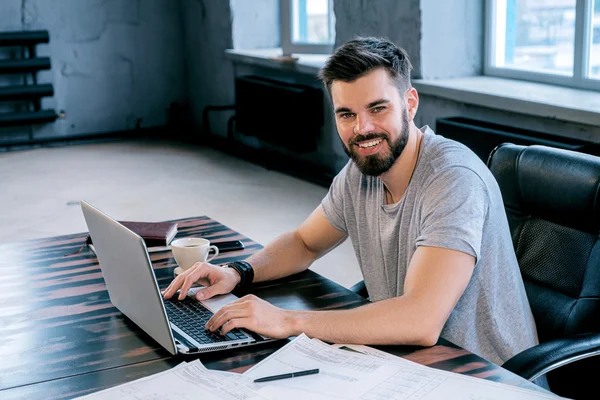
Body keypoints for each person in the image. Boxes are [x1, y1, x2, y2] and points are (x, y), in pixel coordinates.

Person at [162, 37, 539, 367]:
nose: (363, 129)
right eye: (347, 114)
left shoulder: (453, 178)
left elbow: (421, 320)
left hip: (481, 375)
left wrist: (289, 320)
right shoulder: (362, 171)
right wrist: (238, 271)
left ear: (410, 104)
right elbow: (305, 242)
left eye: (378, 108)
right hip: (402, 359)